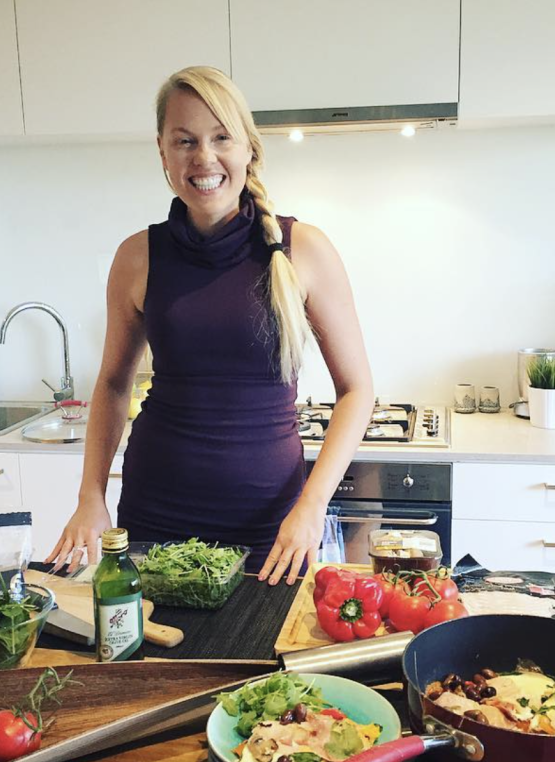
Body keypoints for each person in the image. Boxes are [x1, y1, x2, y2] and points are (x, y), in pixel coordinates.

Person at [46, 66, 373, 585]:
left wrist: (312, 507)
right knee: (154, 661)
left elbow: (357, 390)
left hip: (271, 522)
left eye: (221, 137)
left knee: (263, 663)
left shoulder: (303, 249)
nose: (204, 157)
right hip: (155, 511)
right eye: (185, 141)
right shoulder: (137, 257)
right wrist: (91, 497)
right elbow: (112, 383)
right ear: (163, 152)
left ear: (249, 148)